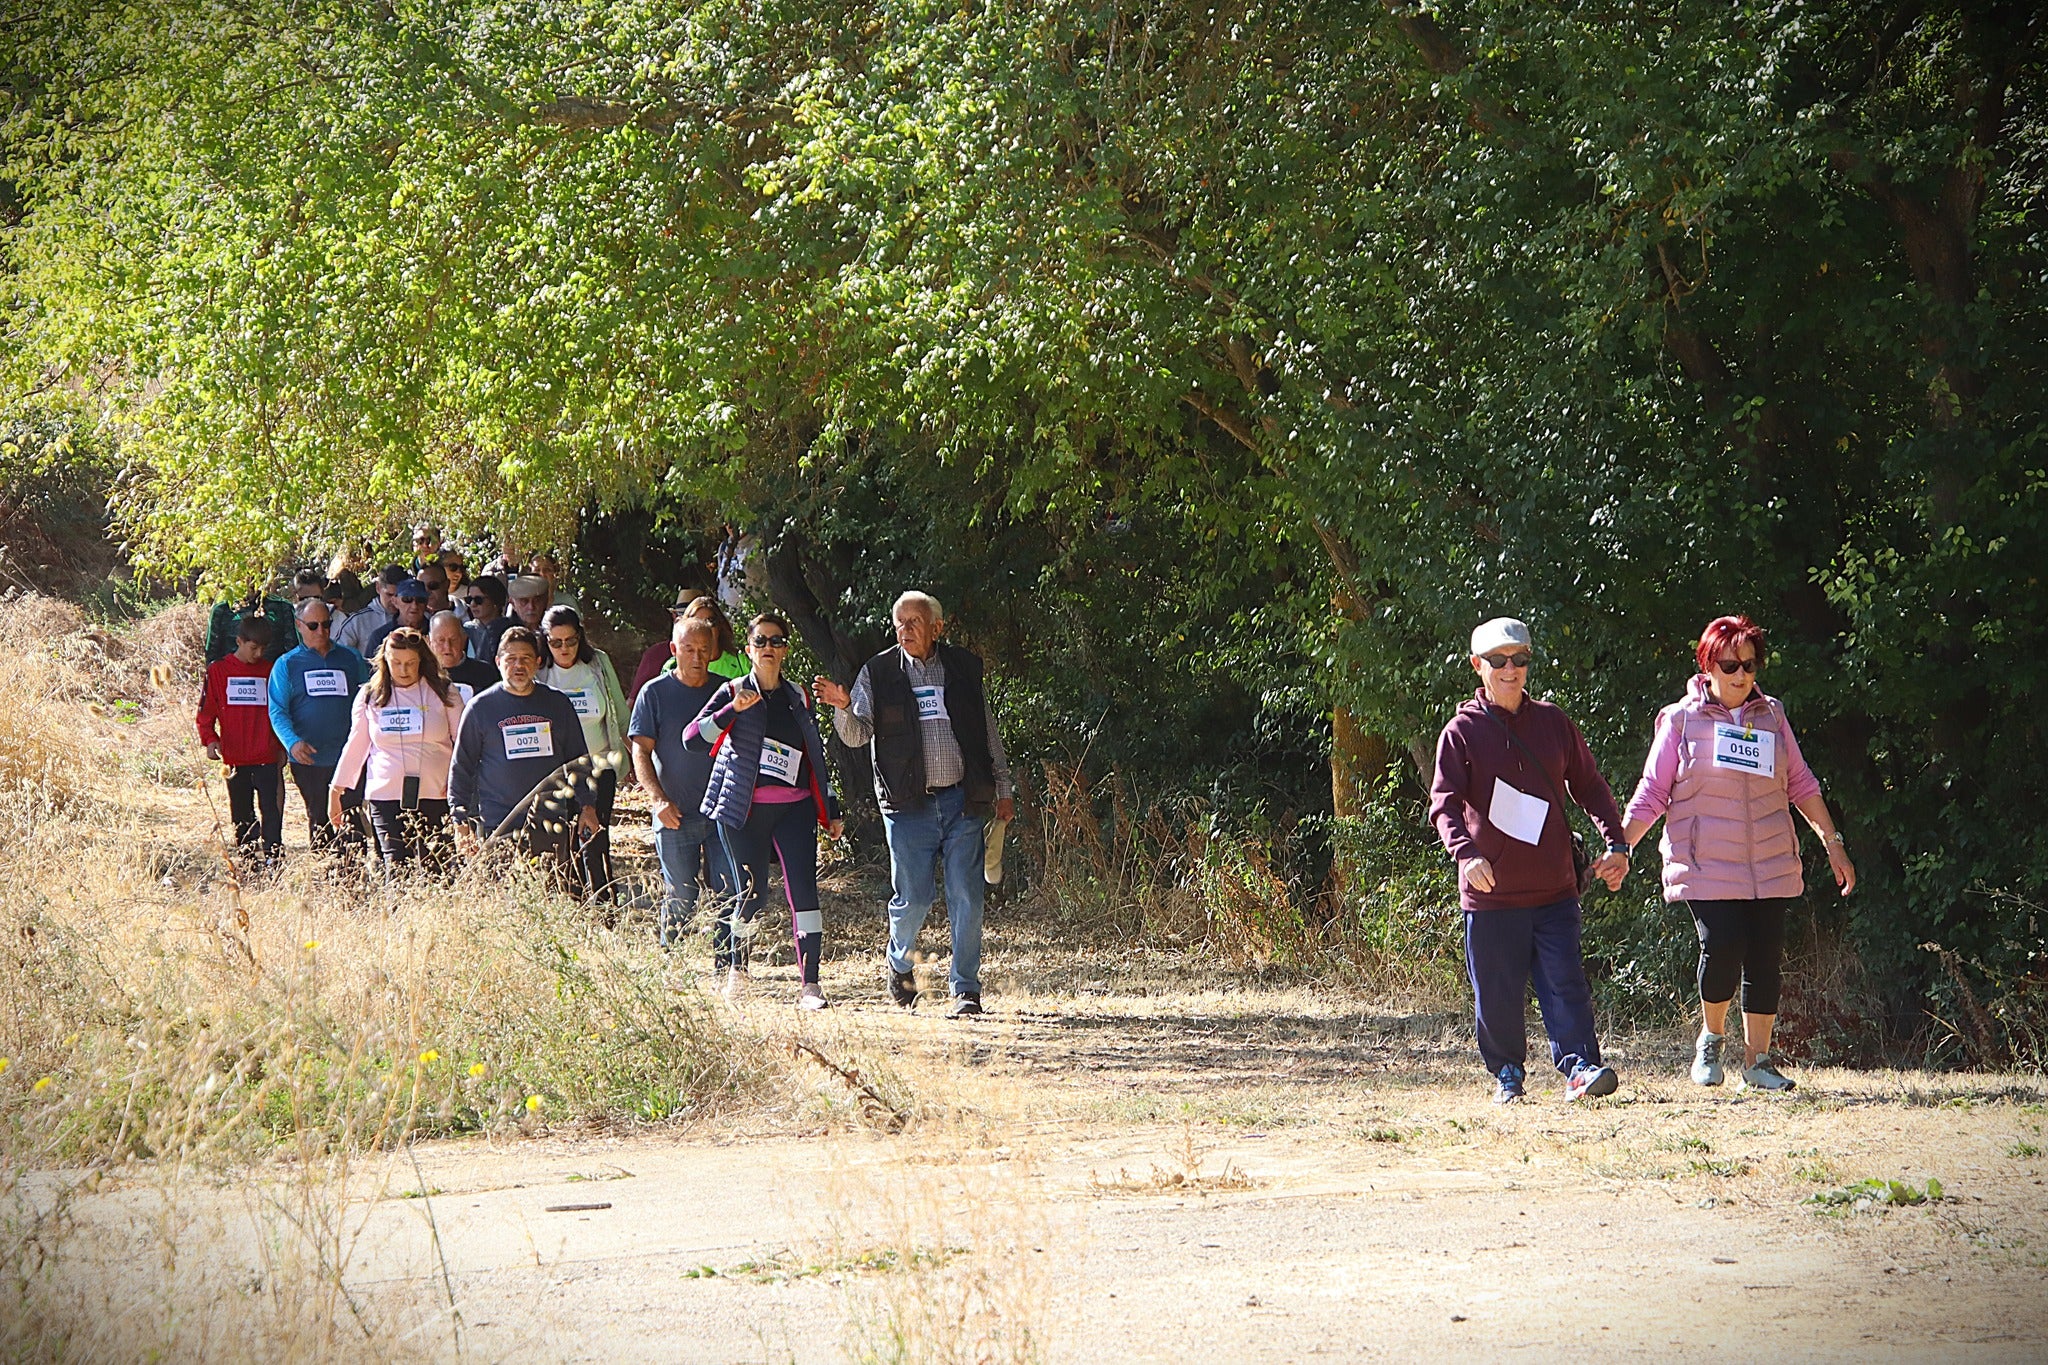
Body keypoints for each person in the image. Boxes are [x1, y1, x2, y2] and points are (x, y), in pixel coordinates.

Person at [1621, 615, 1857, 1093]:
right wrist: (1619, 846)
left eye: (1749, 663)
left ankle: (1759, 1062)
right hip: (1705, 862)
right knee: (1724, 943)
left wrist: (1833, 844)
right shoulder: (1680, 720)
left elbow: (1802, 784)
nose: (1740, 673)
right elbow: (1651, 793)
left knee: (1766, 956)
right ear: (1707, 664)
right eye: (1729, 663)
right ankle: (1711, 1039)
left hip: (1769, 859)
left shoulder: (1772, 715)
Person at [1428, 617, 1632, 1104]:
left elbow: (1590, 787)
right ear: (1478, 667)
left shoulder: (1554, 723)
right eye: (1499, 661)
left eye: (1519, 659)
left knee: (1567, 985)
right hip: (1491, 896)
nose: (1510, 668)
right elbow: (1443, 804)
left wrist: (1617, 844)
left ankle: (1580, 1068)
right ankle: (1507, 1077)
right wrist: (1466, 853)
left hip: (1555, 890)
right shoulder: (1461, 732)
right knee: (1496, 997)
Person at [815, 591, 1015, 1018]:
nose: (905, 629)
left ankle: (965, 989)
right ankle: (900, 963)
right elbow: (855, 736)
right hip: (908, 806)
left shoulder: (961, 667)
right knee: (915, 898)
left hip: (963, 800)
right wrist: (844, 708)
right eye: (900, 622)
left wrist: (1003, 788)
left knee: (967, 894)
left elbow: (986, 732)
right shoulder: (879, 671)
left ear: (937, 628)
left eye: (915, 622)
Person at [688, 612, 844, 1008]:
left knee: (805, 894)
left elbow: (815, 757)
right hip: (743, 811)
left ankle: (810, 985)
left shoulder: (798, 697)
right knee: (752, 894)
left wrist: (832, 808)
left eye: (776, 641)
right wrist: (731, 712)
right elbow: (692, 738)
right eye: (761, 641)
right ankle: (736, 974)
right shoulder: (733, 690)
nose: (769, 648)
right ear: (748, 649)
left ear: (786, 649)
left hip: (795, 810)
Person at [448, 626, 599, 881]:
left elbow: (578, 760)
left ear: (538, 662)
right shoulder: (480, 708)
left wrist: (588, 806)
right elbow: (462, 766)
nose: (518, 665)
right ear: (498, 662)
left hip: (549, 820)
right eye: (511, 659)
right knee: (504, 901)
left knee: (550, 894)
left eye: (526, 658)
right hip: (499, 822)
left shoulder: (557, 704)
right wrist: (460, 820)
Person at [629, 617, 729, 948]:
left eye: (704, 650)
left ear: (713, 651)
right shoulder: (654, 693)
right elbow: (640, 752)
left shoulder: (727, 691)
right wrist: (657, 800)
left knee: (728, 892)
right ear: (674, 650)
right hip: (675, 813)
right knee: (681, 895)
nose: (697, 658)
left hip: (721, 813)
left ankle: (728, 965)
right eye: (689, 650)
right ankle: (672, 963)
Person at [331, 627, 464, 869]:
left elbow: (464, 744)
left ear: (421, 661)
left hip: (436, 792)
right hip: (386, 794)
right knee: (396, 866)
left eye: (410, 663)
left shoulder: (444, 691)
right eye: (397, 663)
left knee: (438, 867)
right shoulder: (370, 695)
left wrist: (461, 786)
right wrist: (336, 790)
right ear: (385, 661)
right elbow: (356, 744)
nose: (404, 671)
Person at [538, 606, 630, 903]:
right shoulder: (541, 671)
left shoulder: (598, 664)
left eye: (571, 640)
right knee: (564, 843)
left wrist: (631, 757)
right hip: (557, 771)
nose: (564, 648)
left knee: (595, 841)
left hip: (599, 766)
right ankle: (573, 907)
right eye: (556, 642)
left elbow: (618, 709)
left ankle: (607, 908)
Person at [268, 597, 371, 854]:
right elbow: (277, 709)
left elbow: (369, 701)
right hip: (310, 759)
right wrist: (291, 741)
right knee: (320, 818)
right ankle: (328, 875)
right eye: (313, 626)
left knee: (352, 819)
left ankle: (354, 878)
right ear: (299, 625)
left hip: (347, 756)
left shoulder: (350, 658)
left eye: (326, 625)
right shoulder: (287, 664)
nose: (322, 632)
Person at [196, 615, 286, 862]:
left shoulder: (271, 671)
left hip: (266, 755)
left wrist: (282, 747)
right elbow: (206, 712)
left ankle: (274, 858)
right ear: (239, 641)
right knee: (241, 812)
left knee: (271, 809)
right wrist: (210, 739)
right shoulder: (218, 671)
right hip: (235, 757)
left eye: (263, 649)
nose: (257, 654)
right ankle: (248, 859)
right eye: (253, 648)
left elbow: (279, 712)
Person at [630, 591, 745, 702]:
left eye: (710, 621)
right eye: (697, 622)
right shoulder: (669, 665)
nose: (704, 628)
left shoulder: (740, 662)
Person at [205, 582, 296, 665]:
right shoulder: (223, 608)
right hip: (231, 675)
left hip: (270, 675)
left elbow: (292, 651)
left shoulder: (282, 607)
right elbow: (212, 656)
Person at [428, 610, 500, 704]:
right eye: (441, 640)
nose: (447, 646)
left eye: (453, 639)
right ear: (429, 642)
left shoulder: (484, 672)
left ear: (464, 639)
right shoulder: (423, 674)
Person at [336, 565, 406, 656]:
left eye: (398, 595)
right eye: (389, 595)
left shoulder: (416, 617)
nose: (394, 601)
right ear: (378, 588)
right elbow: (338, 654)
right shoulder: (358, 621)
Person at [364, 578, 431, 660]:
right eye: (407, 599)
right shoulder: (380, 636)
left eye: (420, 600)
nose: (414, 606)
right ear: (395, 601)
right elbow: (369, 670)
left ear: (426, 602)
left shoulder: (435, 632)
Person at [464, 574, 513, 660]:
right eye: (469, 599)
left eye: (478, 600)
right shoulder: (465, 631)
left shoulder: (511, 630)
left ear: (495, 601)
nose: (472, 604)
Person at [440, 551, 473, 622]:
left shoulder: (470, 594)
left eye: (462, 568)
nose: (458, 573)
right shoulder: (431, 594)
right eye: (453, 567)